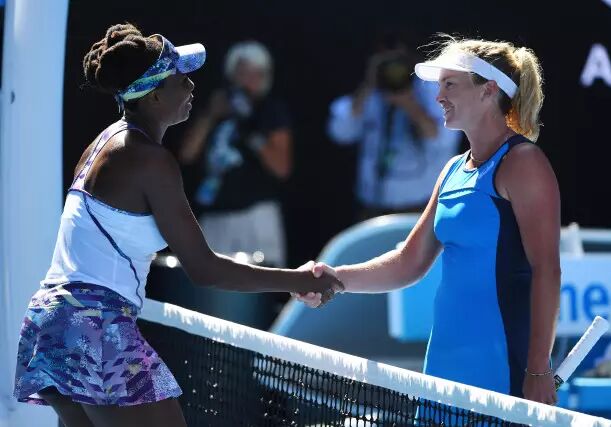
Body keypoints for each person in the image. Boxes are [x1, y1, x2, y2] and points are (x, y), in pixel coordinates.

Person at [12, 24, 341, 427]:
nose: (191, 85)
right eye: (180, 78)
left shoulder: (105, 143)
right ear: (154, 95)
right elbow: (205, 270)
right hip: (93, 326)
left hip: (51, 324)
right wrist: (298, 280)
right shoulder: (149, 160)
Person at [300, 36, 561, 406]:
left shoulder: (524, 164)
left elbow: (546, 270)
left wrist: (537, 370)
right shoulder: (453, 169)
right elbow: (408, 262)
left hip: (501, 367)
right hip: (441, 368)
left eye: (449, 84)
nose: (438, 96)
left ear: (488, 90)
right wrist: (335, 279)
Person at [179, 41, 291, 267]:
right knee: (208, 279)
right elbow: (187, 155)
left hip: (255, 215)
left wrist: (249, 128)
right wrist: (210, 116)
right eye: (242, 73)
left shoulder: (270, 111)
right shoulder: (215, 108)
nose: (247, 81)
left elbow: (282, 168)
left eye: (255, 74)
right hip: (215, 215)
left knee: (262, 280)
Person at [327, 38, 461, 220]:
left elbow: (442, 140)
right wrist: (370, 83)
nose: (394, 69)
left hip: (421, 210)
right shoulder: (368, 94)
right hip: (372, 209)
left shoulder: (435, 92)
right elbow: (341, 133)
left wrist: (409, 103)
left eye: (399, 61)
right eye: (387, 61)